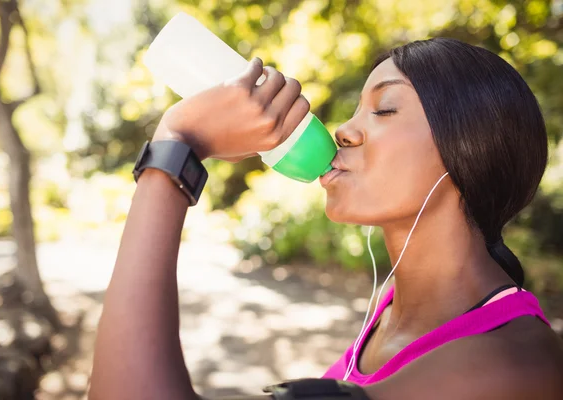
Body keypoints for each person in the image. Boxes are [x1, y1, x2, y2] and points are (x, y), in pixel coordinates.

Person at [88, 38, 563, 400]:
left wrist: (176, 145)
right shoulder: (396, 310)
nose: (345, 130)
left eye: (384, 108)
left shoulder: (513, 366)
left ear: (467, 149)